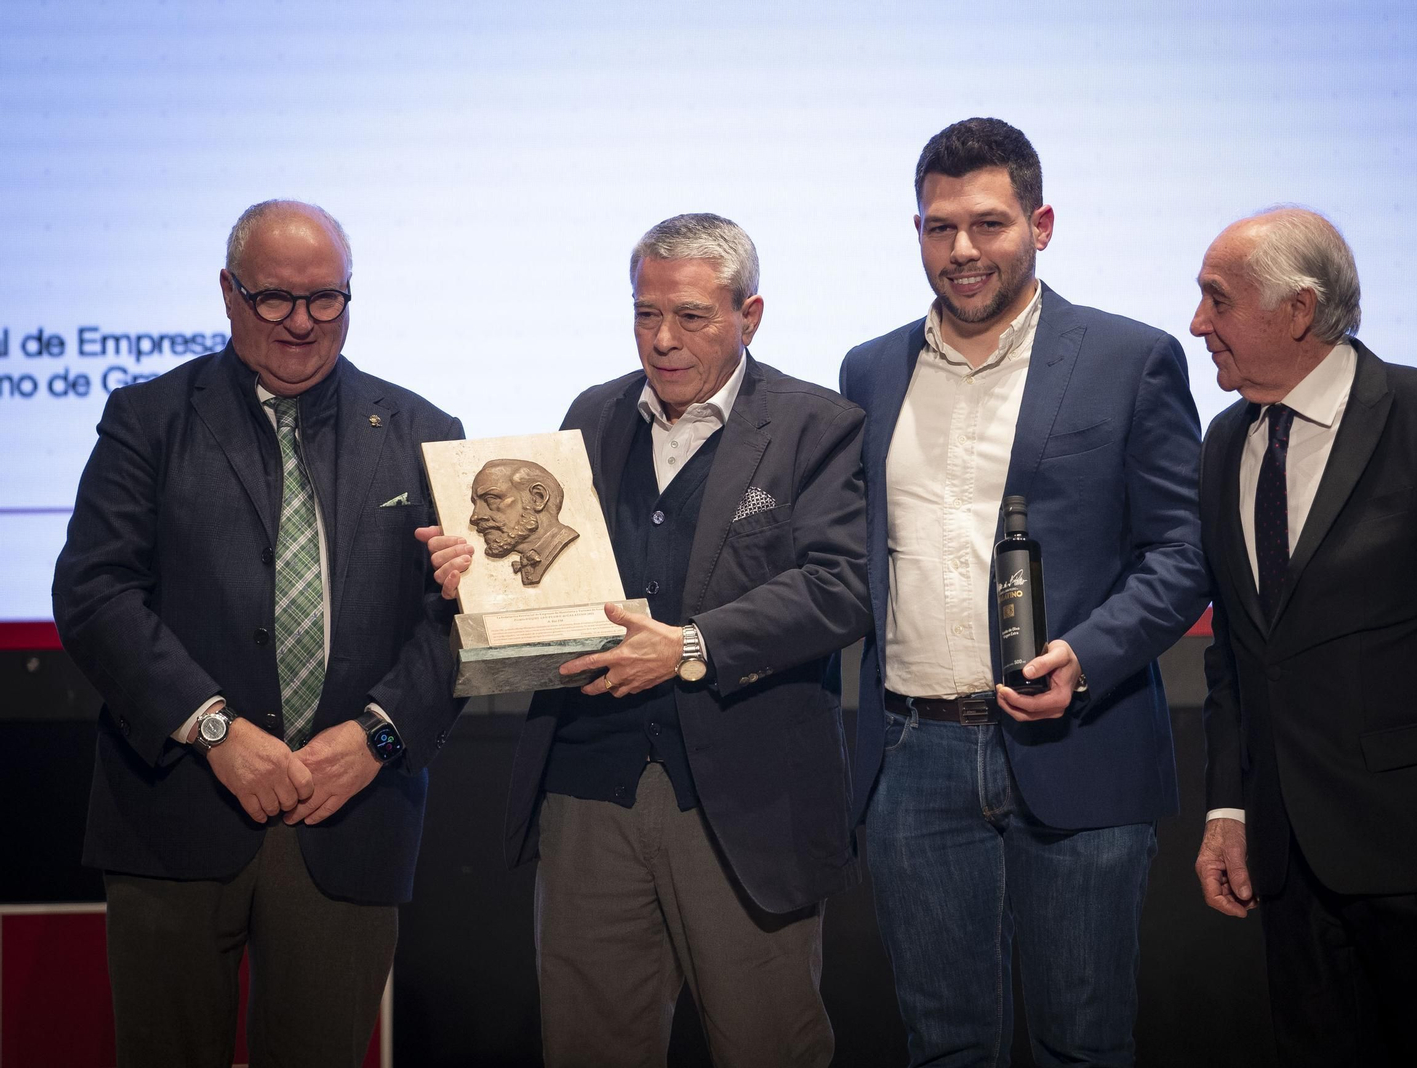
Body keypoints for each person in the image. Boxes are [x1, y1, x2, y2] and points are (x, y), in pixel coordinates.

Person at [423, 213, 870, 1067]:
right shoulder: (591, 417)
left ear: (751, 314)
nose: (663, 340)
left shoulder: (818, 425)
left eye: (692, 316)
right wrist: (474, 573)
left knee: (769, 1047)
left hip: (743, 805)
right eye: (645, 314)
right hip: (589, 790)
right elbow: (553, 583)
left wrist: (692, 643)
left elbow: (841, 587)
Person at [53, 199, 465, 1068]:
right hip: (175, 813)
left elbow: (454, 624)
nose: (303, 323)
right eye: (275, 298)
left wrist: (378, 737)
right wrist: (212, 728)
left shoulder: (428, 434)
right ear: (228, 293)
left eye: (327, 299)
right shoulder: (149, 419)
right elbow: (94, 591)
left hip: (348, 817)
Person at [838, 118, 1209, 1067]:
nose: (962, 250)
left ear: (1041, 224)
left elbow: (1183, 549)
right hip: (912, 751)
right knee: (943, 1046)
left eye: (989, 223)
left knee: (1083, 1046)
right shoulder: (870, 371)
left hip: (1080, 742)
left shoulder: (1132, 358)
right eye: (938, 227)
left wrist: (1087, 656)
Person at [1189, 206, 1417, 1066]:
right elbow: (1237, 660)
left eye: (1218, 300)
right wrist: (1228, 807)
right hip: (1288, 863)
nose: (1198, 323)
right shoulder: (1223, 444)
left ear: (1297, 310)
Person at [469, 457, 580, 585]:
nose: (475, 516)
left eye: (490, 499)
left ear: (538, 498)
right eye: (475, 504)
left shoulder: (579, 555)